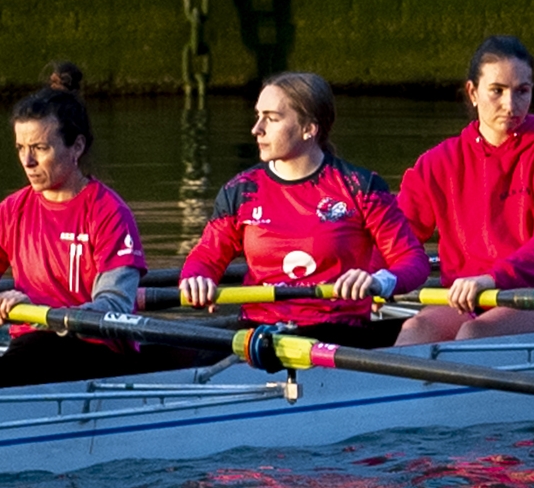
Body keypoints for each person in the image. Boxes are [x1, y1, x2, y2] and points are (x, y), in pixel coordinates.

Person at [0, 66, 212, 388]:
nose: (27, 162)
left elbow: (113, 306)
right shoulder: (12, 210)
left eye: (40, 149)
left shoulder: (108, 213)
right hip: (32, 352)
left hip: (96, 355)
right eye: (20, 148)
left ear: (77, 147)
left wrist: (41, 313)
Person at [179, 72, 429, 349]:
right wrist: (196, 278)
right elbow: (206, 256)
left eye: (272, 119)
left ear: (309, 128)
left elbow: (412, 260)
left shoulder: (360, 186)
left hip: (339, 332)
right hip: (260, 333)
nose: (256, 129)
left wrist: (378, 281)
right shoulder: (241, 190)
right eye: (258, 115)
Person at [396, 35, 534, 343]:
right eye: (497, 91)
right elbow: (394, 237)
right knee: (416, 329)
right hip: (470, 298)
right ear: (472, 92)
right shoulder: (437, 163)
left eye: (522, 91)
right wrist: (361, 275)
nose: (510, 105)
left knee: (476, 333)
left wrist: (493, 278)